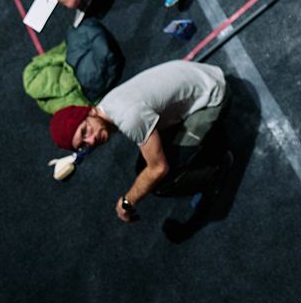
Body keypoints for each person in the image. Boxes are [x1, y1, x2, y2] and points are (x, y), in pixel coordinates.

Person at [49, 60, 230, 235]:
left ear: (90, 112)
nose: (92, 140)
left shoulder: (128, 117)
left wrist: (127, 202)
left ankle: (217, 171)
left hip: (213, 95)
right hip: (200, 78)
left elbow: (158, 168)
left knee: (161, 183)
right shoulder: (106, 106)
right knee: (142, 170)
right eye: (83, 145)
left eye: (85, 131)